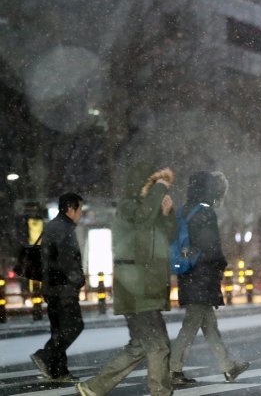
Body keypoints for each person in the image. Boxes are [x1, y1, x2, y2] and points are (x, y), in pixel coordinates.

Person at [77, 164, 176, 396]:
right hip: (135, 288)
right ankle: (161, 393)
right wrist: (160, 189)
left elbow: (168, 237)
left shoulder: (149, 211)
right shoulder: (128, 207)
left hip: (146, 288)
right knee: (158, 345)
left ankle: (94, 388)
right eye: (151, 185)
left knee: (140, 346)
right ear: (141, 185)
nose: (155, 191)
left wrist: (167, 214)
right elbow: (142, 219)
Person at [170, 171, 250, 385]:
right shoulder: (205, 213)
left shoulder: (183, 211)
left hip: (188, 274)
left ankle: (228, 367)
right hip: (202, 276)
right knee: (190, 325)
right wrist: (221, 264)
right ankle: (173, 370)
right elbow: (211, 248)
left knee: (209, 326)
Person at [31, 192, 85, 382]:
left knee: (59, 328)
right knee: (75, 325)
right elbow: (67, 260)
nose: (80, 213)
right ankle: (45, 356)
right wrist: (78, 279)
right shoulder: (65, 229)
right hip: (64, 288)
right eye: (80, 209)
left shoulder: (52, 226)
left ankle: (58, 371)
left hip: (51, 287)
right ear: (71, 209)